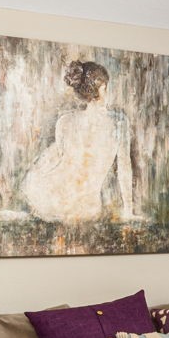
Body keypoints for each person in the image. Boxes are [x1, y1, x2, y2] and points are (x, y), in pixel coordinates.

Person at [21, 59, 132, 223]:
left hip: (52, 201)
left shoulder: (65, 121)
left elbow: (57, 162)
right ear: (102, 89)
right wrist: (129, 210)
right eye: (106, 88)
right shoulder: (119, 122)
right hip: (87, 208)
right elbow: (124, 168)